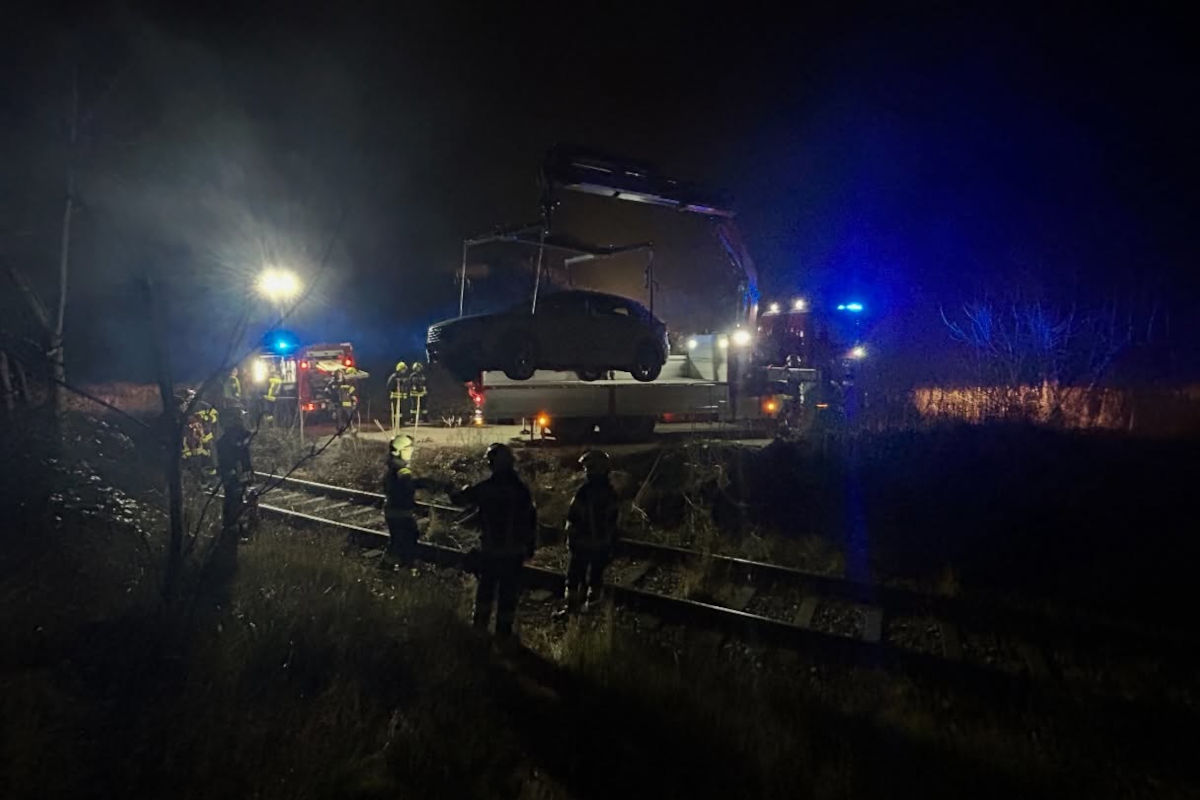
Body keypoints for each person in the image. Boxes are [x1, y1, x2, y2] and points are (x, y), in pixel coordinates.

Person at [451, 443, 537, 638]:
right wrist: (530, 547)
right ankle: (503, 635)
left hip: (491, 552)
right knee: (508, 596)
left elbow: (459, 500)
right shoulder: (522, 490)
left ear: (492, 463)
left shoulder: (487, 489)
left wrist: (451, 488)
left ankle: (480, 632)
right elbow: (531, 521)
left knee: (485, 594)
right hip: (514, 554)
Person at [555, 450, 620, 617]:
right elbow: (613, 522)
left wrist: (570, 537)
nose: (586, 471)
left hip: (582, 544)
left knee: (574, 578)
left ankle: (572, 610)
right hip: (602, 544)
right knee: (596, 578)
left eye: (588, 468)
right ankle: (591, 611)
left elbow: (573, 517)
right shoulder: (611, 493)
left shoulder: (584, 492)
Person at [382, 434, 439, 570]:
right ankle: (399, 569)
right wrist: (427, 484)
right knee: (406, 541)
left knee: (399, 541)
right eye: (408, 448)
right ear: (398, 451)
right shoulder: (401, 469)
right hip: (399, 512)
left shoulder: (394, 466)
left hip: (395, 511)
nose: (411, 451)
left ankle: (391, 567)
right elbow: (407, 485)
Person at [216, 413, 254, 540]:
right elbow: (229, 458)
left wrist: (247, 472)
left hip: (236, 474)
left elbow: (245, 457)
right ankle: (232, 527)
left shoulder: (233, 439)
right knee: (234, 500)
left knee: (239, 501)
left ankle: (236, 528)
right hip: (232, 475)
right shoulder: (227, 441)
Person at [387, 361, 409, 431]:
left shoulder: (403, 377)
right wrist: (393, 390)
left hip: (401, 397)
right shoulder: (394, 377)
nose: (404, 371)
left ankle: (401, 422)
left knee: (401, 411)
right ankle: (394, 423)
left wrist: (404, 394)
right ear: (400, 369)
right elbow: (389, 386)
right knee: (395, 411)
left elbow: (405, 387)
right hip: (395, 396)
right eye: (403, 369)